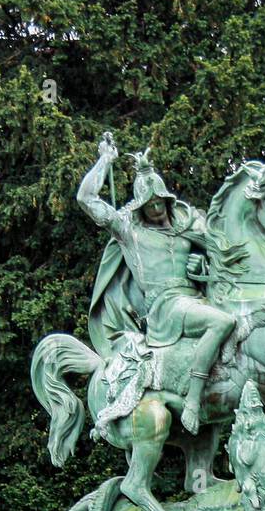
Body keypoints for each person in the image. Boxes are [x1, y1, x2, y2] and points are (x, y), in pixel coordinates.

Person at [77, 137, 239, 434]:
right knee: (223, 322)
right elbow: (86, 199)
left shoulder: (185, 228)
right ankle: (192, 400)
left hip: (193, 300)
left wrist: (202, 269)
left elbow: (219, 258)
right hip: (165, 308)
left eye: (158, 202)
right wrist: (105, 160)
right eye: (148, 205)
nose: (155, 208)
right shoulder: (131, 233)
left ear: (166, 199)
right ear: (141, 207)